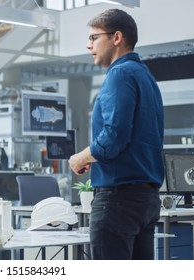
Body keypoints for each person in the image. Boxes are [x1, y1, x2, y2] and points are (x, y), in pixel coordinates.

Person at [68, 9, 164, 260]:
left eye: (94, 37)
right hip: (146, 199)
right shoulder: (146, 77)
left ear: (117, 37)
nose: (88, 45)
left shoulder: (119, 74)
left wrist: (82, 157)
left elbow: (114, 136)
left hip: (118, 201)